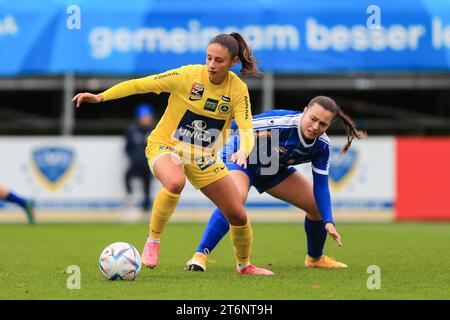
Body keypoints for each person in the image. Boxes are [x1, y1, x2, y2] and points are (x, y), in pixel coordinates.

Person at [72, 32, 274, 275]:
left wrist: (244, 149)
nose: (211, 64)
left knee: (238, 214)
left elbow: (246, 127)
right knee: (175, 181)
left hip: (203, 157)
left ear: (233, 62)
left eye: (218, 60)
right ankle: (153, 240)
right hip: (165, 145)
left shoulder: (238, 90)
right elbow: (140, 85)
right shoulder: (187, 76)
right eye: (208, 58)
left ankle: (244, 265)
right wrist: (102, 96)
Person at [185, 95, 366, 272]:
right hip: (240, 158)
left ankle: (315, 258)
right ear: (304, 111)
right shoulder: (277, 122)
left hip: (272, 169)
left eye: (323, 124)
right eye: (313, 119)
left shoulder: (322, 146)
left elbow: (321, 186)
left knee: (316, 207)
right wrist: (193, 134)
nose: (315, 127)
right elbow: (233, 125)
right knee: (235, 200)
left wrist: (328, 221)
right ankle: (200, 256)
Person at [123, 103, 155, 219]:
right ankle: (130, 205)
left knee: (147, 187)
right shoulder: (132, 131)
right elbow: (127, 148)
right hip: (135, 164)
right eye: (144, 117)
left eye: (148, 117)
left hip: (148, 165)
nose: (146, 119)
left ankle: (146, 210)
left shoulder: (154, 131)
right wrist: (134, 158)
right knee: (127, 177)